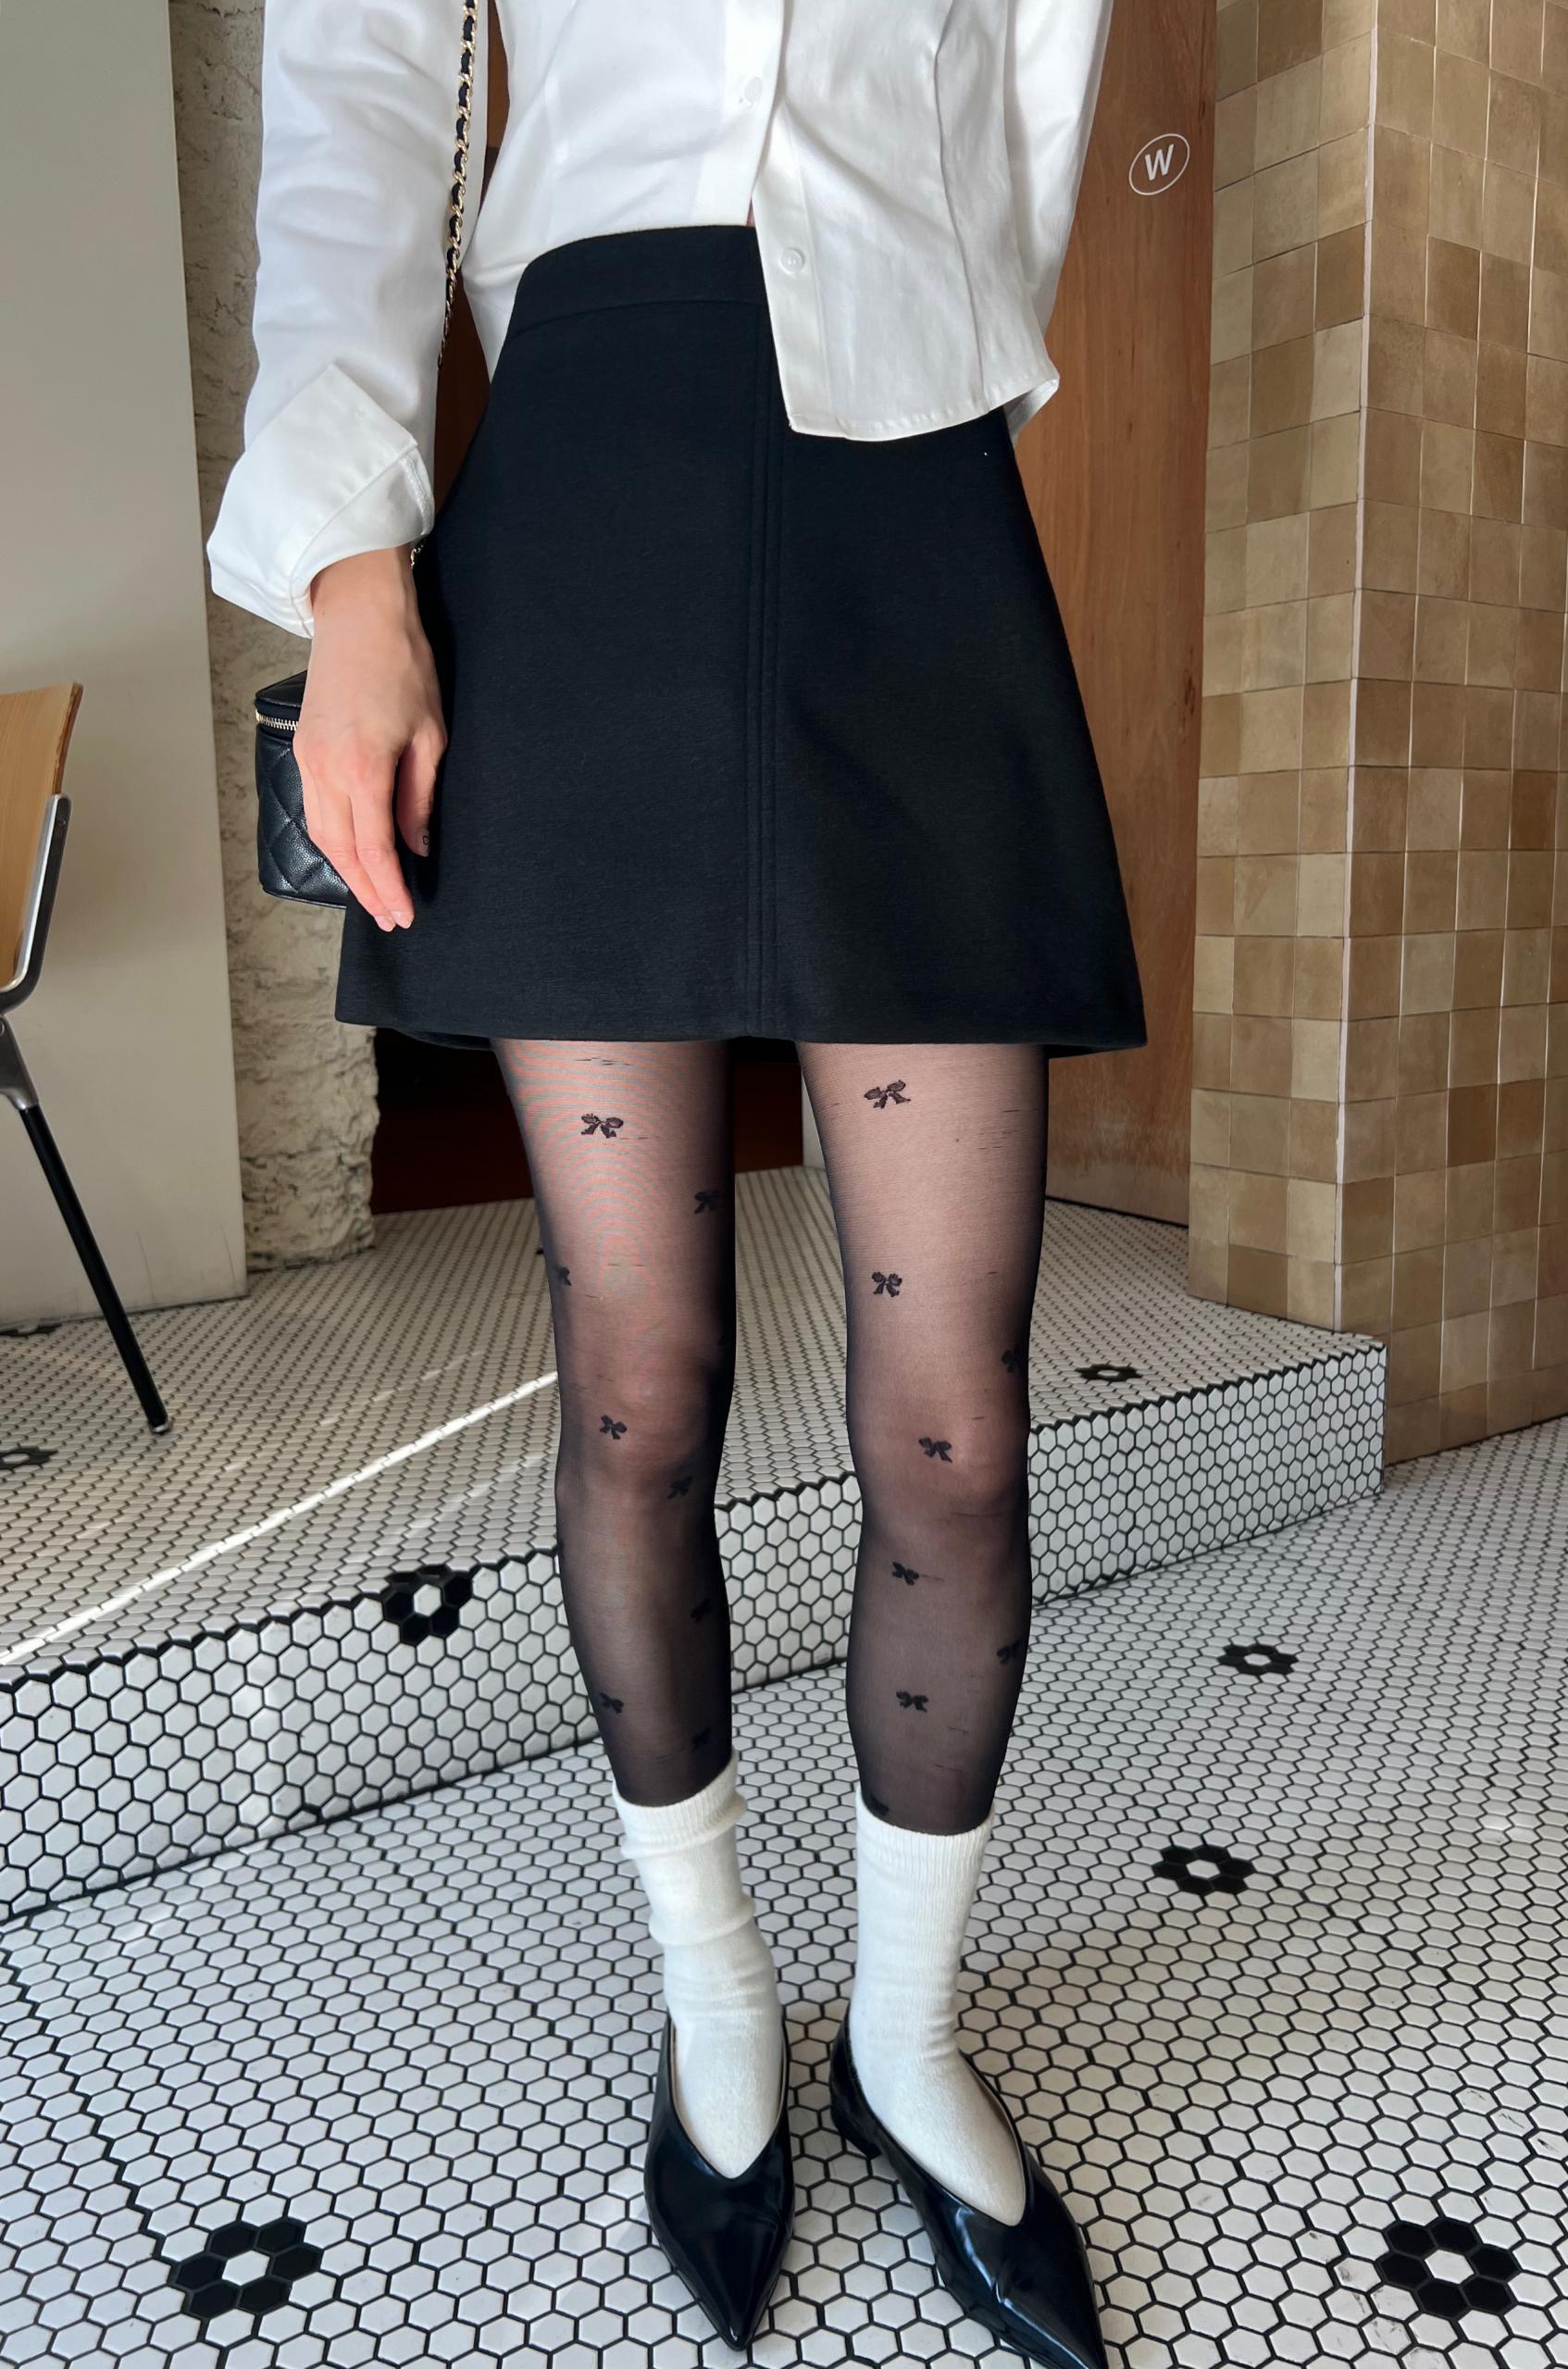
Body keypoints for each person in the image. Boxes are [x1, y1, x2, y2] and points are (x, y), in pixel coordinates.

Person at [209, 5, 1143, 2362]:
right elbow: (354, 87)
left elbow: (1031, 88)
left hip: (909, 483)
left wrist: (946, 324)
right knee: (639, 1386)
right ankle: (716, 1997)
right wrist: (350, 572)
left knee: (963, 1422)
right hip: (591, 455)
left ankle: (903, 2042)